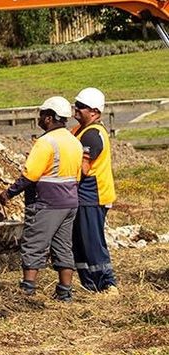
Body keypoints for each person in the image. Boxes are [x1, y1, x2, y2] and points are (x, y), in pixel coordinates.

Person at [0, 94, 84, 301]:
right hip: (71, 201)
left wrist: (8, 193)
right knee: (63, 245)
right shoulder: (74, 142)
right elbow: (78, 174)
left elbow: (31, 175)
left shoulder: (46, 142)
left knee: (34, 244)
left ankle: (27, 290)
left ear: (49, 117)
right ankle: (65, 292)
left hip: (47, 202)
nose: (39, 119)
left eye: (41, 115)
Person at [71, 87, 119, 295]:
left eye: (82, 107)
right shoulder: (80, 131)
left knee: (92, 241)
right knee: (80, 243)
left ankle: (108, 284)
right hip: (83, 196)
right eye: (77, 104)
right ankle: (89, 285)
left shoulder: (92, 135)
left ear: (95, 112)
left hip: (93, 195)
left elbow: (82, 168)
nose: (77, 109)